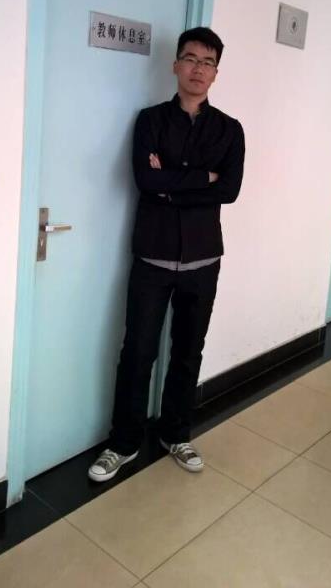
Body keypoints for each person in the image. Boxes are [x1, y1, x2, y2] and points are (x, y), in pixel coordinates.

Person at [89, 27, 245, 481]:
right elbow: (146, 181)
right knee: (138, 353)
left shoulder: (230, 130)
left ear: (216, 73)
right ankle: (123, 443)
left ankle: (175, 433)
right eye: (191, 59)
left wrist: (172, 184)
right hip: (152, 259)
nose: (198, 69)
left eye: (208, 62)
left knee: (188, 353)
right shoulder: (150, 121)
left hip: (203, 261)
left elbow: (230, 190)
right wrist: (203, 179)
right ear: (176, 65)